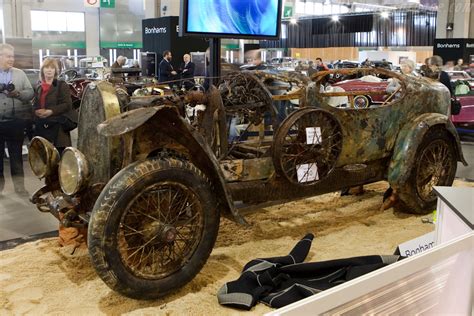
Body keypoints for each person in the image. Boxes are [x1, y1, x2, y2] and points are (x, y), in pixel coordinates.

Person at [0, 43, 34, 196]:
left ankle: (19, 188)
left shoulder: (20, 74)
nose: (11, 59)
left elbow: (30, 93)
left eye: (12, 56)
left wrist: (18, 94)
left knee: (16, 157)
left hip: (16, 123)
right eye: (8, 56)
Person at [33, 58, 75, 154]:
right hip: (42, 128)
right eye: (47, 67)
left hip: (58, 130)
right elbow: (36, 104)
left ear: (56, 71)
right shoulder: (39, 87)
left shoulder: (61, 85)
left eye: (52, 68)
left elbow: (67, 104)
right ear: (42, 70)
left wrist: (50, 111)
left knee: (59, 161)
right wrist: (36, 111)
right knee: (45, 160)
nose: (49, 70)